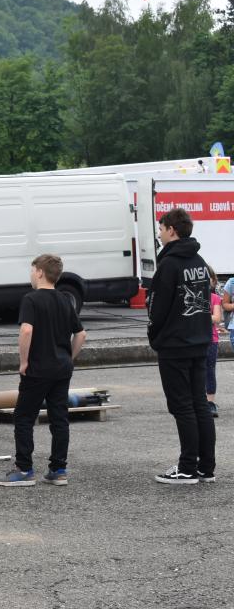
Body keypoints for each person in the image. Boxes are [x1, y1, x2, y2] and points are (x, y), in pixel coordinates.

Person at [0, 254, 87, 486]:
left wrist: (23, 361)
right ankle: (58, 469)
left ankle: (24, 469)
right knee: (59, 419)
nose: (31, 274)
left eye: (32, 269)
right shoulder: (66, 300)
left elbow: (26, 331)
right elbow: (81, 334)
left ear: (39, 272)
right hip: (61, 368)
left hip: (38, 368)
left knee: (24, 417)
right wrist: (69, 357)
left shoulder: (31, 299)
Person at [147, 208, 216, 485]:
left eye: (161, 228)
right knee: (199, 403)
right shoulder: (198, 260)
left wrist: (154, 335)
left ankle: (187, 467)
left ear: (172, 230)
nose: (159, 233)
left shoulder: (169, 264)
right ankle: (206, 467)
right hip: (200, 340)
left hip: (175, 345)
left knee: (182, 406)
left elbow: (157, 307)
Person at [206, 267, 221, 418]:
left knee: (209, 370)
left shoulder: (214, 298)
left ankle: (210, 402)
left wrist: (198, 314)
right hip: (192, 340)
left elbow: (216, 318)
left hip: (211, 339)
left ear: (213, 280)